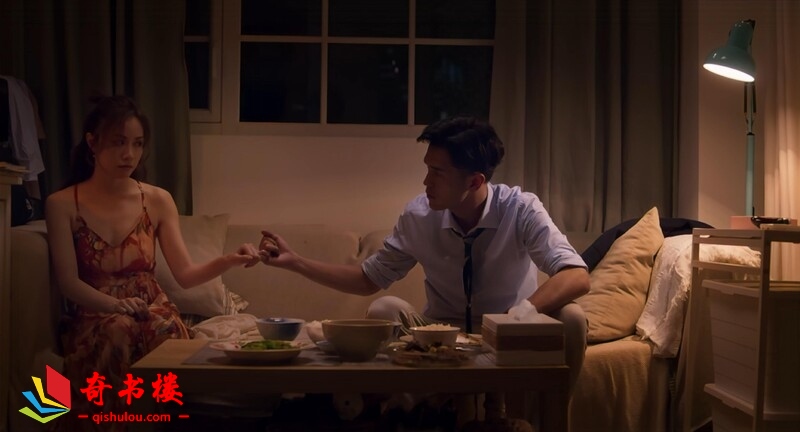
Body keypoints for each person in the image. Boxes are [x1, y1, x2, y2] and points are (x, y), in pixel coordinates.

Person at [258, 116, 589, 424]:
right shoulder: (419, 216)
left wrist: (517, 315)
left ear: (475, 180)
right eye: (428, 169)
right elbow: (367, 280)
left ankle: (552, 421)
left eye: (438, 172)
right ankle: (401, 414)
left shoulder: (520, 208)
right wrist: (296, 262)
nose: (426, 181)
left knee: (573, 318)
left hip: (508, 330)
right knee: (385, 308)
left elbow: (575, 274)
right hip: (439, 334)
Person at [45, 96, 260, 431]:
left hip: (151, 309)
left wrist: (230, 259)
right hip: (96, 313)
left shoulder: (157, 200)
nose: (129, 154)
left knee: (164, 332)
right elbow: (69, 283)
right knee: (118, 329)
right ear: (92, 142)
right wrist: (115, 305)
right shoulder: (62, 203)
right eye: (118, 142)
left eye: (137, 143)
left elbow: (186, 275)